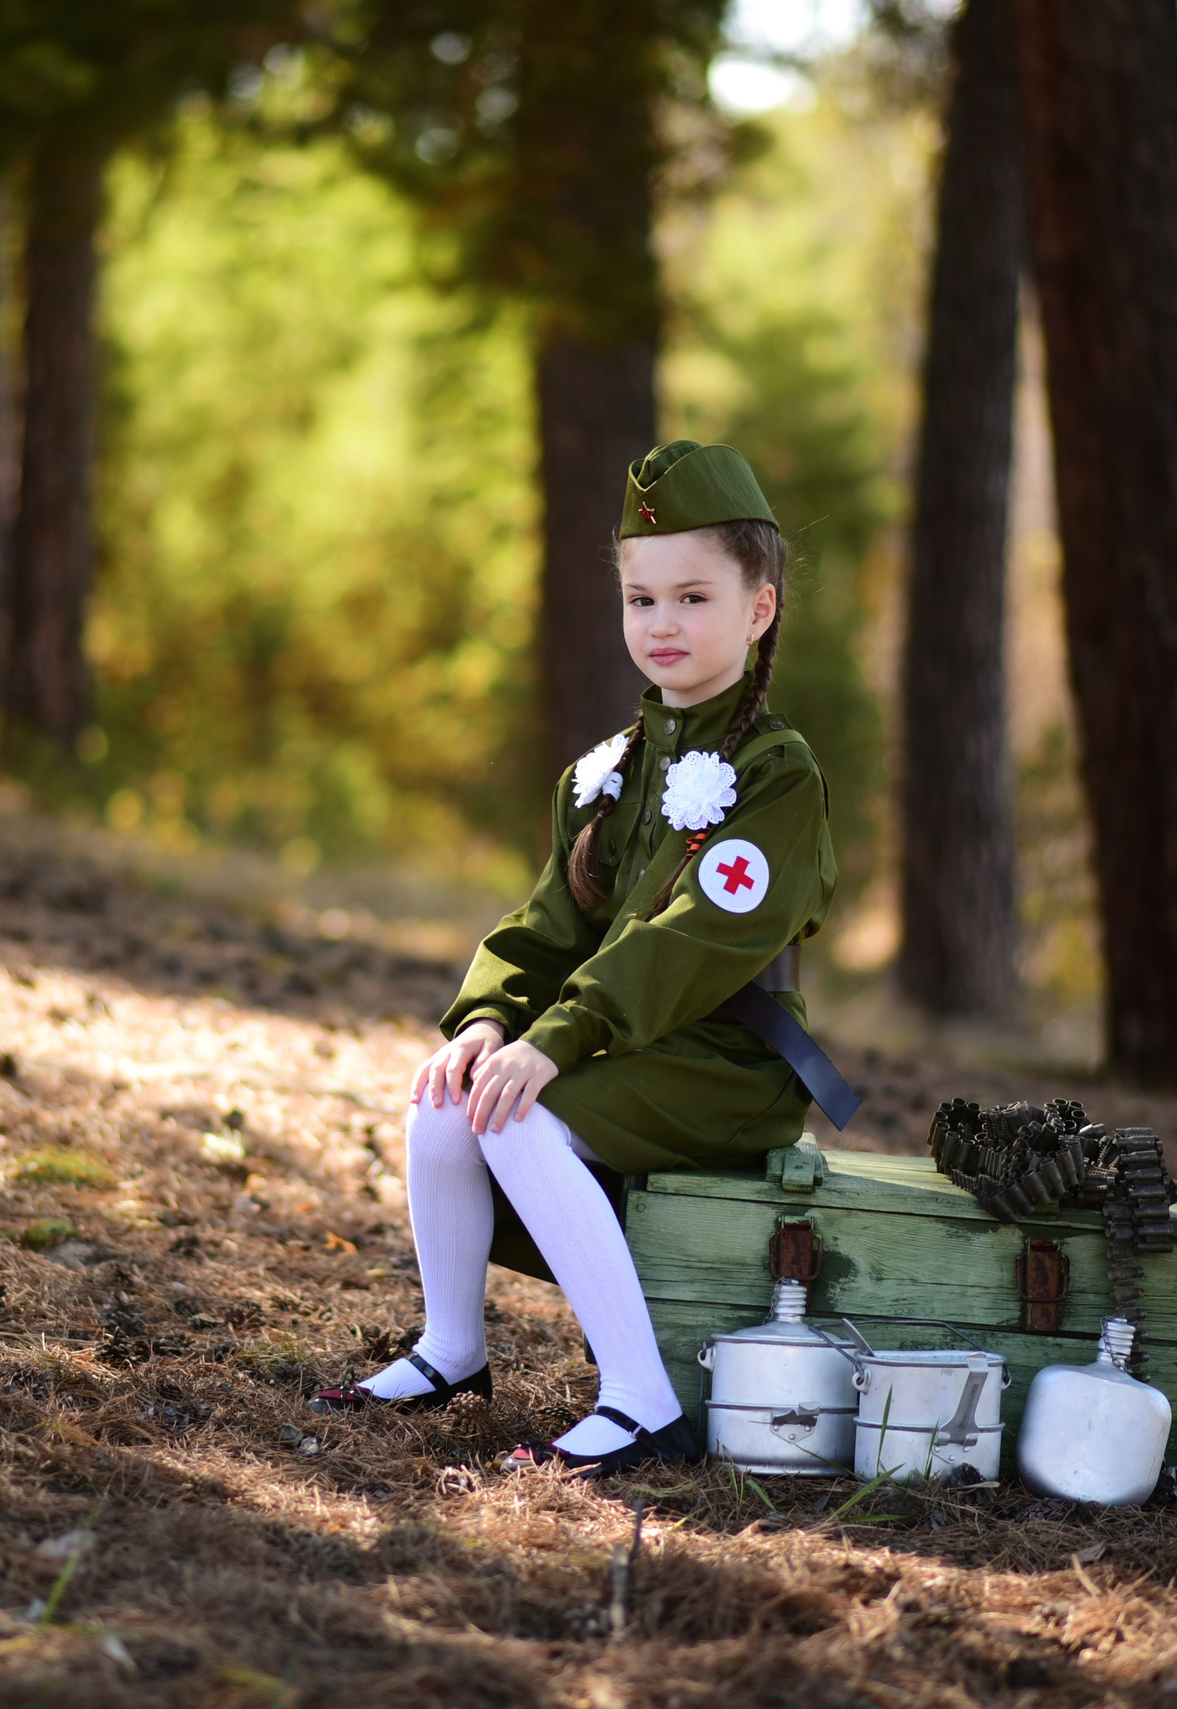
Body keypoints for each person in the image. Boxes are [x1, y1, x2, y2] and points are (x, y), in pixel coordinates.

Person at [312, 440, 838, 1476]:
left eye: (693, 596)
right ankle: (452, 1350)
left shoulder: (776, 774)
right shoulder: (608, 774)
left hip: (723, 1066)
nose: (663, 624)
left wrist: (554, 1042)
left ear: (758, 608)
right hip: (622, 1048)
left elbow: (687, 941)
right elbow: (548, 922)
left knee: (521, 1108)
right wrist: (488, 1020)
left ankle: (643, 1399)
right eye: (642, 600)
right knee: (446, 1094)